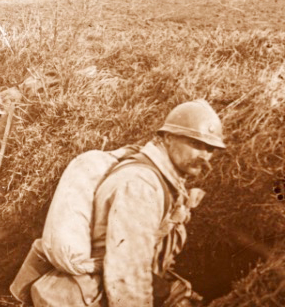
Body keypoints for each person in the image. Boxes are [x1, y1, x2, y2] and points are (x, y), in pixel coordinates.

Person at [12, 99, 226, 307]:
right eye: (195, 144)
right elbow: (127, 273)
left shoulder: (159, 181)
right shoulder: (142, 185)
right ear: (168, 138)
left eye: (210, 149)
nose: (204, 156)